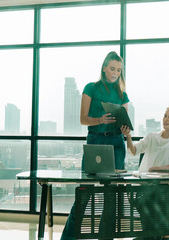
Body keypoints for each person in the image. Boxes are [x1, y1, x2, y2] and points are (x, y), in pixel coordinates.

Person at [61, 51, 130, 240]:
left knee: (111, 196)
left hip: (117, 142)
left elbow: (125, 118)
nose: (115, 73)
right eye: (112, 68)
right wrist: (100, 119)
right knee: (85, 193)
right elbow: (83, 119)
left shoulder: (122, 93)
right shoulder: (90, 88)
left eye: (119, 70)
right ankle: (68, 238)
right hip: (96, 140)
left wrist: (125, 129)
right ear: (104, 68)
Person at [121, 105, 169, 240]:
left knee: (156, 198)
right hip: (147, 186)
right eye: (165, 116)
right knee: (151, 198)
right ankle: (161, 234)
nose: (166, 120)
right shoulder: (152, 137)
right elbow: (134, 150)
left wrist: (156, 168)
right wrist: (128, 136)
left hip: (168, 187)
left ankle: (155, 234)